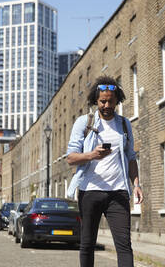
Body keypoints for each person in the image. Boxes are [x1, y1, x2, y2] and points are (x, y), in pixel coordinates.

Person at [66, 76, 143, 267]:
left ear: (117, 100)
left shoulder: (124, 124)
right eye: (102, 101)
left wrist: (136, 185)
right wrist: (92, 155)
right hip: (90, 191)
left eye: (110, 101)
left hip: (118, 192)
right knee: (87, 243)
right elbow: (70, 158)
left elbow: (131, 157)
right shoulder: (84, 123)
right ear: (96, 101)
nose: (107, 105)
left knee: (124, 245)